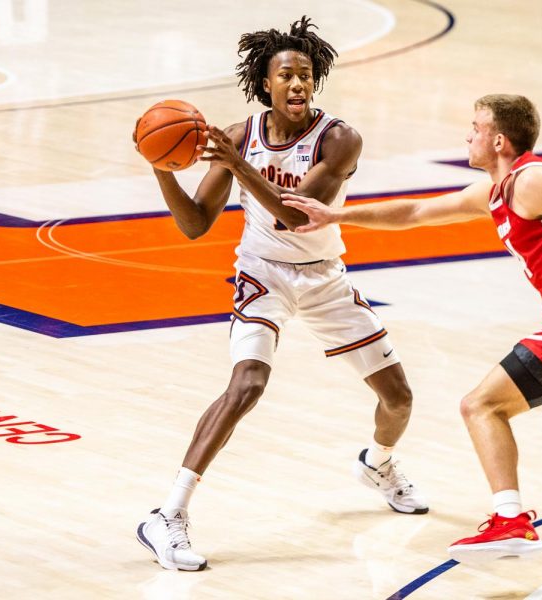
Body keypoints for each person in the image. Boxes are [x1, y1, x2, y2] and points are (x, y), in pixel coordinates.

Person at [282, 94, 542, 564]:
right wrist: (339, 215)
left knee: (480, 406)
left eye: (476, 127)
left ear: (499, 140)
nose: (467, 135)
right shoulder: (494, 193)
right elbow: (416, 213)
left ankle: (510, 521)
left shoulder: (536, 180)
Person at [133, 16, 428, 572]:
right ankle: (167, 515)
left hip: (324, 277)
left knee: (399, 398)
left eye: (307, 75)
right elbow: (196, 224)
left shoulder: (339, 138)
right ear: (264, 83)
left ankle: (379, 463)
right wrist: (162, 168)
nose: (299, 84)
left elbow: (295, 216)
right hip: (262, 275)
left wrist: (238, 165)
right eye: (287, 75)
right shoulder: (241, 136)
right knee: (247, 384)